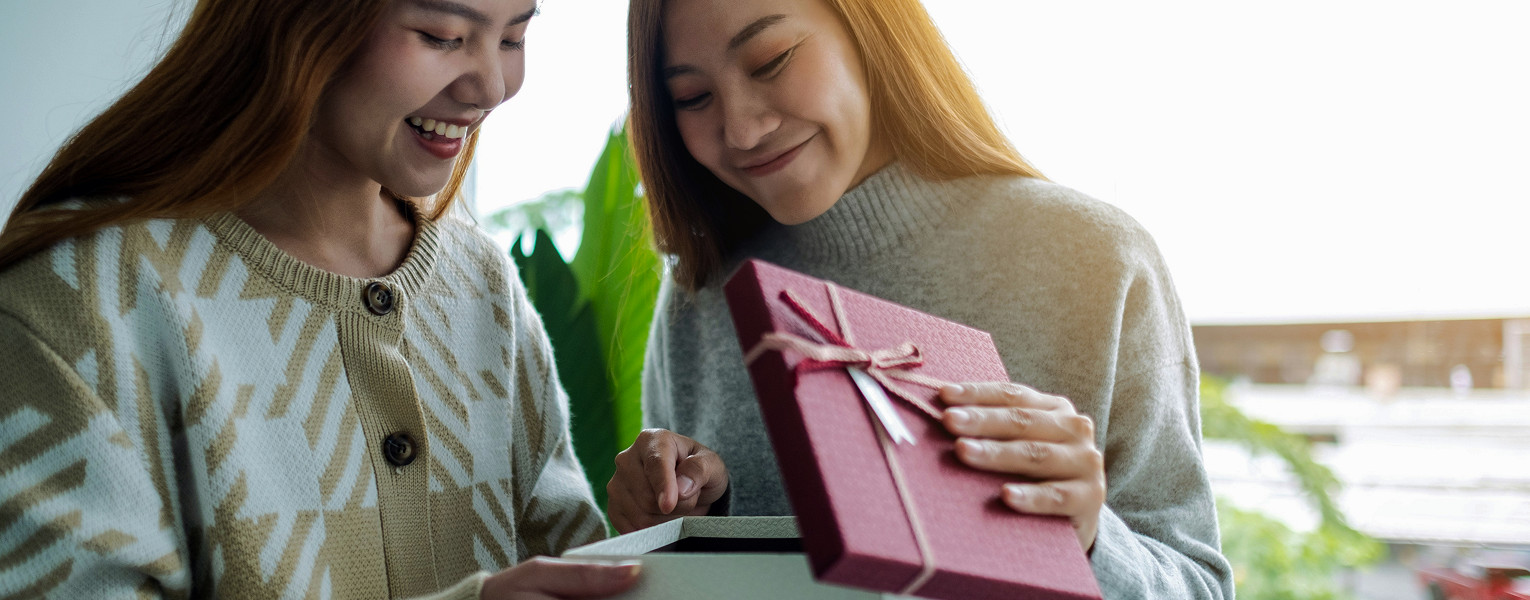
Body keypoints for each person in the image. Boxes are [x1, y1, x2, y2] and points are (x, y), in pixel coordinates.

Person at [0, 0, 640, 598]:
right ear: (300, 20)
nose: (492, 87)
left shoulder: (482, 285)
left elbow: (570, 562)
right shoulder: (76, 300)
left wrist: (671, 526)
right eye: (442, 36)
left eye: (513, 37)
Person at [607, 0, 1236, 597]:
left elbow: (1199, 587)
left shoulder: (1094, 258)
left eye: (772, 60)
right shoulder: (700, 298)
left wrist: (1090, 543)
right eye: (692, 97)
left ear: (870, 26)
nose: (743, 130)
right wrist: (683, 519)